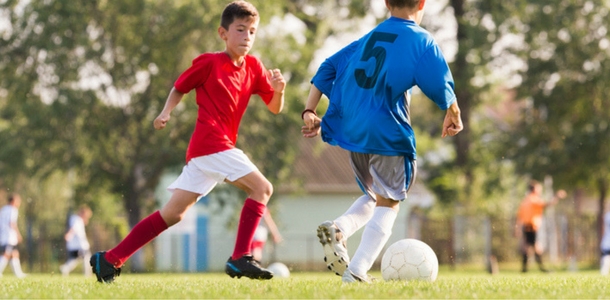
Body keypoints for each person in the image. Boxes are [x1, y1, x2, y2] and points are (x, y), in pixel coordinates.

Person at [90, 0, 286, 283]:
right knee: (262, 188)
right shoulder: (209, 62)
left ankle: (109, 259)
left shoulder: (254, 67)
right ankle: (240, 257)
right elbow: (180, 87)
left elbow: (274, 107)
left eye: (252, 32)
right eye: (240, 30)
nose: (247, 37)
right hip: (212, 145)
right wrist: (165, 112)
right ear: (223, 33)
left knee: (173, 214)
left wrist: (280, 91)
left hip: (206, 153)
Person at [301, 0, 462, 283]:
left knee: (375, 196)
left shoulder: (369, 37)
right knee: (390, 203)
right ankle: (357, 271)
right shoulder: (420, 39)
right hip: (386, 130)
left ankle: (340, 228)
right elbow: (440, 83)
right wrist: (453, 111)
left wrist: (310, 111)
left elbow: (328, 67)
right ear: (423, 3)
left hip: (354, 131)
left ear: (387, 3)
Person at [515, 180, 566, 273]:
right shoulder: (533, 199)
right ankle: (541, 269)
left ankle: (525, 269)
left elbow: (519, 216)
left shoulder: (525, 200)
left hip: (527, 226)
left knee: (529, 247)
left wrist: (517, 228)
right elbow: (547, 204)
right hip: (531, 226)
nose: (540, 190)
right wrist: (556, 196)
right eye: (539, 188)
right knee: (535, 247)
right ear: (534, 189)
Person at [60, 205, 93, 276]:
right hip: (80, 245)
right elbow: (74, 228)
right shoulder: (77, 220)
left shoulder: (74, 218)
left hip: (73, 245)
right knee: (86, 259)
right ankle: (87, 274)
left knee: (75, 259)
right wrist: (69, 234)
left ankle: (65, 268)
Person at [0, 193, 26, 278]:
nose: (19, 203)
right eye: (17, 201)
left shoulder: (3, 209)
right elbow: (12, 223)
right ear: (13, 201)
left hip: (4, 235)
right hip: (9, 236)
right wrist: (18, 234)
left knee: (14, 253)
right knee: (6, 254)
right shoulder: (13, 210)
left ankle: (18, 273)